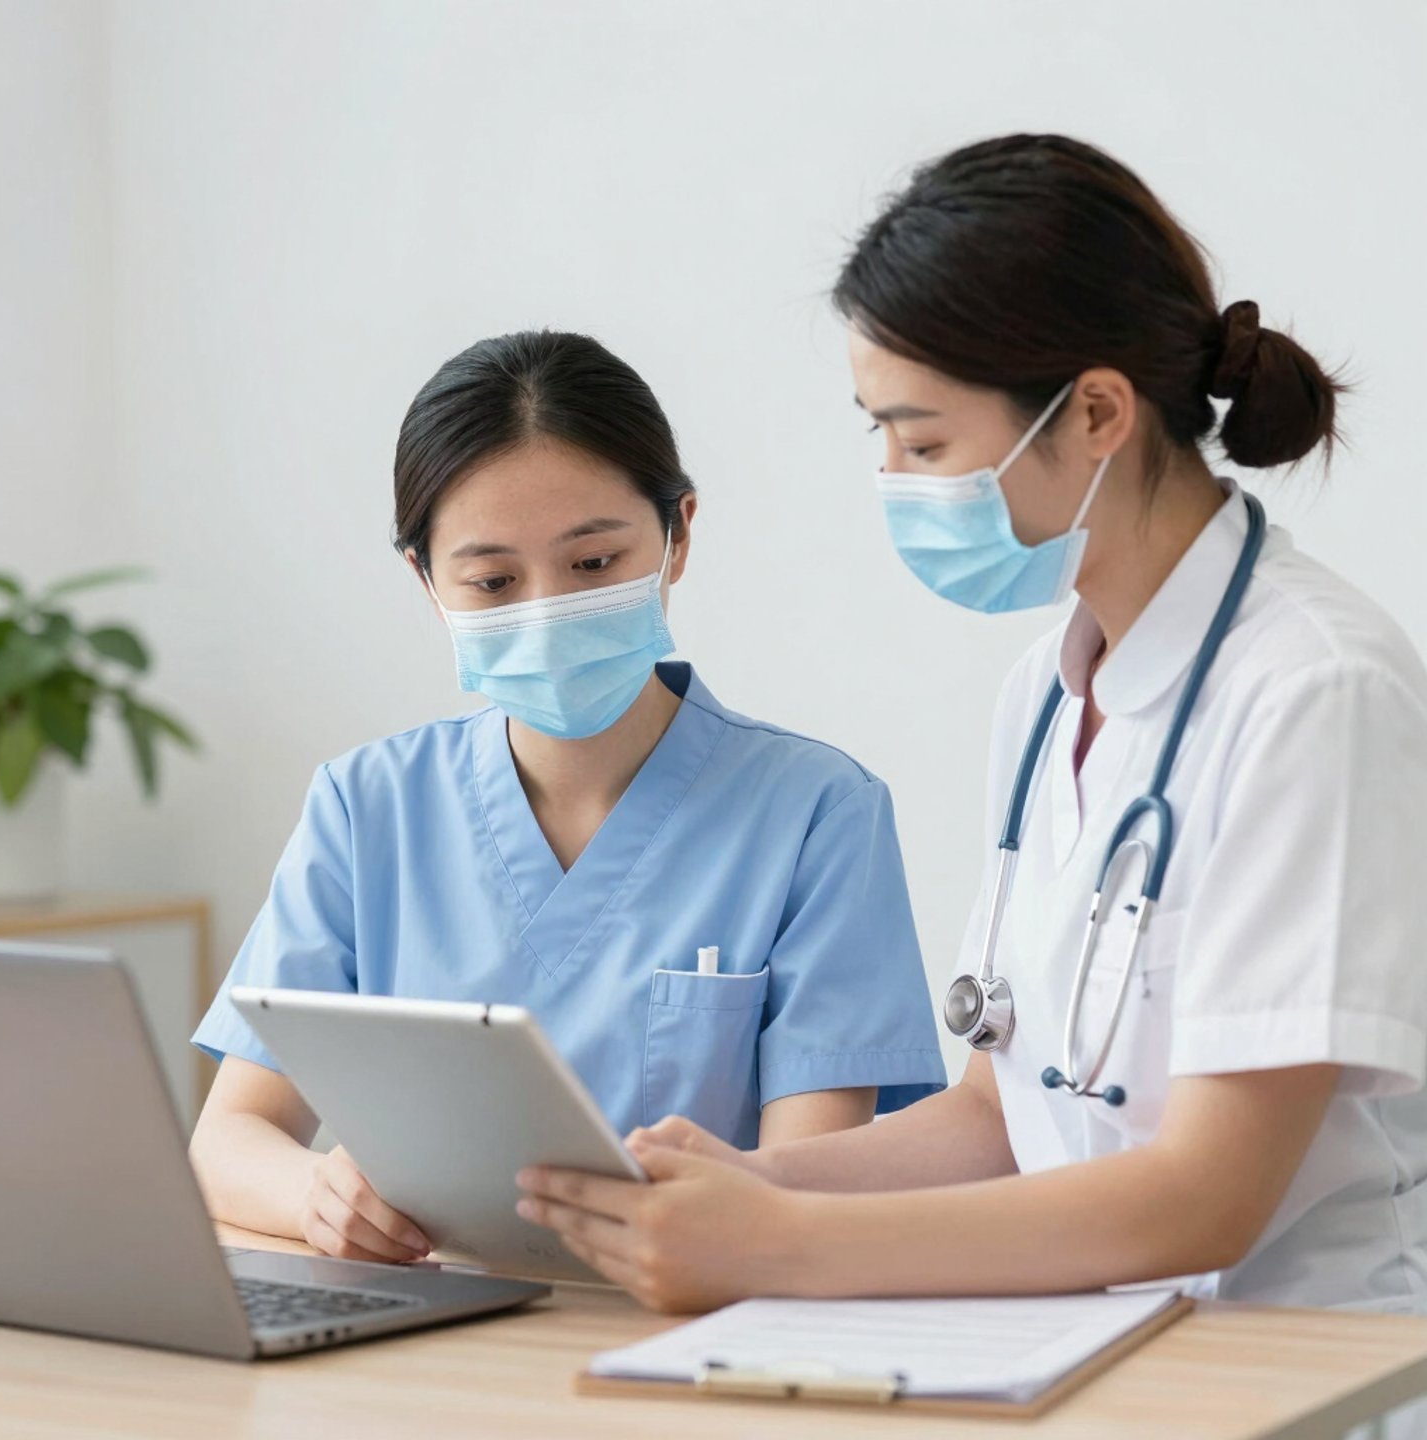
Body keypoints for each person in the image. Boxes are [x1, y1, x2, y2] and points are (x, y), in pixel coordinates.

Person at [517, 136, 1427, 1353]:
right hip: (1084, 1353)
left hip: (1295, 1369)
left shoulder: (1315, 690)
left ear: (1096, 412)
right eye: (878, 434)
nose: (892, 478)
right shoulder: (1046, 695)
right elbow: (1003, 1116)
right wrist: (736, 1188)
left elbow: (1209, 1195)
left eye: (925, 441)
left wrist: (784, 1248)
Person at [189, 329, 946, 1264]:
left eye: (591, 566)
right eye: (493, 581)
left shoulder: (817, 813)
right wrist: (321, 1194)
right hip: (431, 1344)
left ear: (678, 537)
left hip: (693, 1326)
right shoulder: (365, 808)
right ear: (427, 582)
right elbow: (226, 1142)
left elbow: (806, 1183)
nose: (545, 611)